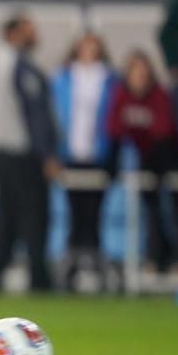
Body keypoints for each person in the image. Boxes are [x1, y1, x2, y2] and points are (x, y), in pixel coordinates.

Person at [0, 14, 59, 291]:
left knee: (6, 216)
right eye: (29, 30)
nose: (35, 35)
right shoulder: (19, 67)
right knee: (34, 217)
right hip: (23, 154)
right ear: (14, 33)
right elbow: (35, 114)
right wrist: (47, 154)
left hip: (1, 151)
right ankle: (39, 278)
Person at [106, 50, 178, 274]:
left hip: (170, 158)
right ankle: (155, 258)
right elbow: (114, 130)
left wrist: (155, 165)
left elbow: (164, 134)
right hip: (147, 158)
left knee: (177, 212)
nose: (140, 76)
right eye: (135, 72)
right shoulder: (122, 96)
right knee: (151, 212)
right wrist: (111, 162)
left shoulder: (159, 95)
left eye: (144, 72)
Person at [52, 33, 116, 290]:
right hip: (71, 155)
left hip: (97, 156)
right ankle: (72, 267)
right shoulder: (64, 77)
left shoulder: (109, 78)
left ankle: (94, 264)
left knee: (94, 214)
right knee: (74, 214)